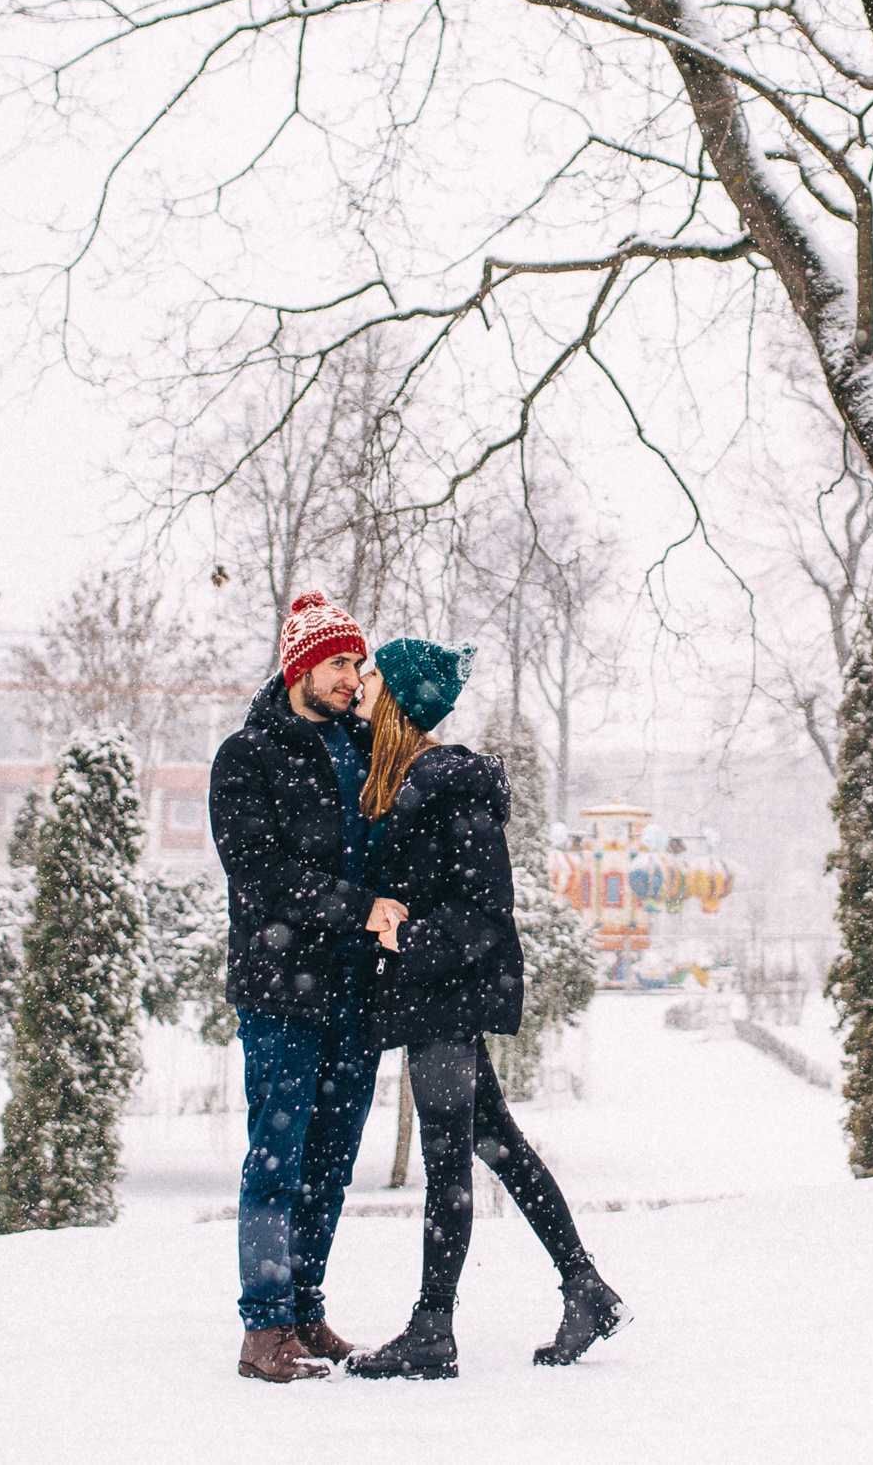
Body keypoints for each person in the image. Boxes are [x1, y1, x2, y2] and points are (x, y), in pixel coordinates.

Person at [344, 637, 628, 1380]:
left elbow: (484, 913)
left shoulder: (449, 788)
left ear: (402, 700)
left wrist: (403, 935)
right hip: (431, 998)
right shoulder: (408, 780)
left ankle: (433, 1329)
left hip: (444, 998)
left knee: (448, 1162)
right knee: (499, 1143)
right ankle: (586, 1285)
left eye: (371, 676)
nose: (360, 686)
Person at [209, 591, 412, 1384]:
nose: (350, 676)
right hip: (281, 990)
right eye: (336, 662)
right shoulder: (249, 755)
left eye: (356, 664)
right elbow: (259, 873)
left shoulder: (364, 748)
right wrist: (357, 905)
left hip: (354, 991)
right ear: (299, 666)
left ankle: (303, 1307)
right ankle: (263, 1330)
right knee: (278, 1156)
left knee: (331, 1157)